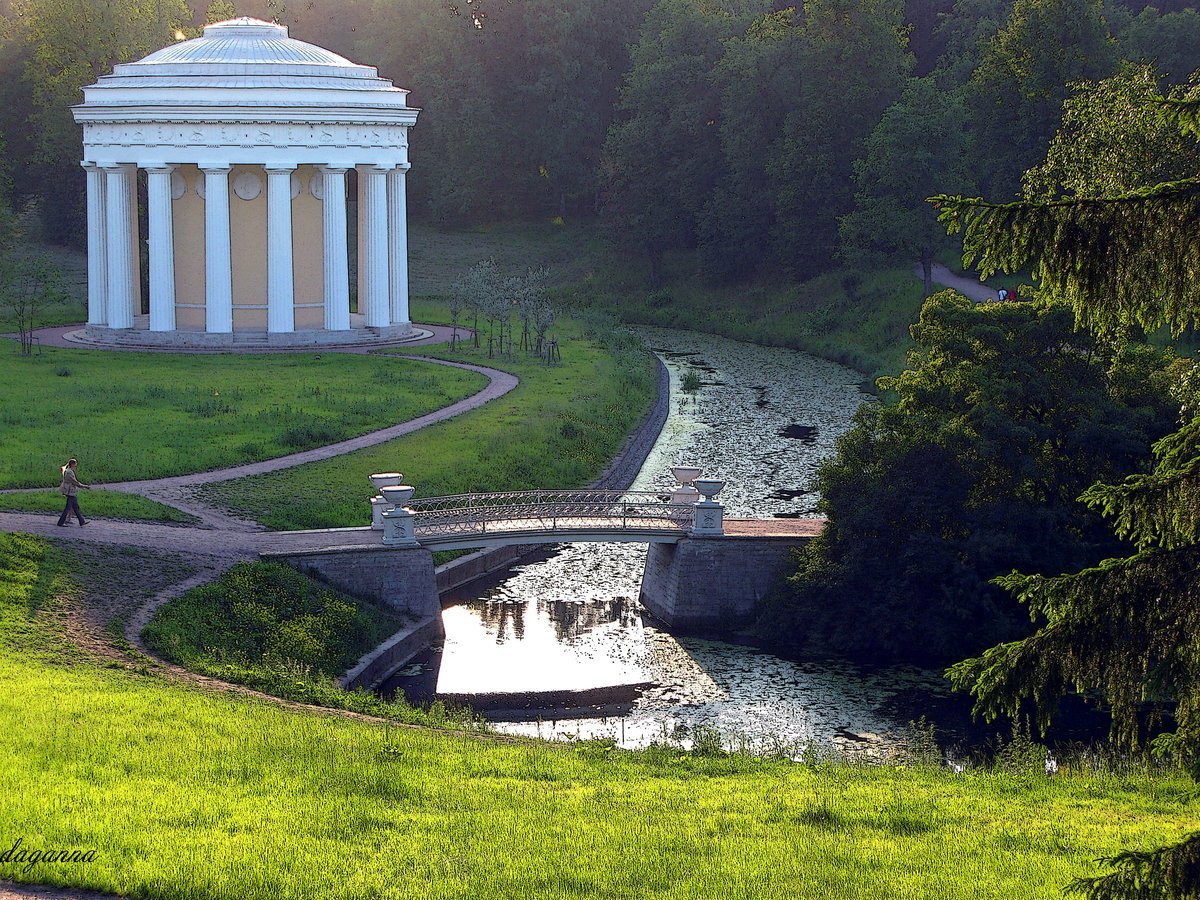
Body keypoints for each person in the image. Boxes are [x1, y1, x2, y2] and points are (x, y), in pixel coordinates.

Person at [57, 458, 90, 526]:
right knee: (69, 508)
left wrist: (82, 486)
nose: (76, 467)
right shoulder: (69, 472)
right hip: (70, 492)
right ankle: (61, 522)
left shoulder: (69, 471)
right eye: (75, 465)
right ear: (72, 464)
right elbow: (75, 482)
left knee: (75, 507)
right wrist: (84, 486)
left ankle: (81, 521)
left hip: (71, 492)